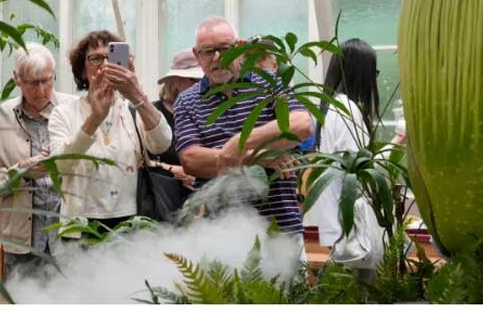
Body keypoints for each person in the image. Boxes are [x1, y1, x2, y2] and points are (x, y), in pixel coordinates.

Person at [174, 16, 313, 255]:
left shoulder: (270, 84)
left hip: (280, 228)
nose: (217, 58)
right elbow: (191, 160)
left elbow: (301, 125)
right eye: (208, 52)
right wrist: (257, 157)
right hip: (219, 234)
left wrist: (239, 142)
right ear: (197, 56)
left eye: (224, 49)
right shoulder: (187, 101)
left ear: (239, 48)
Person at [49, 30, 171, 237]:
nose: (104, 64)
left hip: (130, 220)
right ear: (82, 71)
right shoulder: (64, 113)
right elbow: (60, 166)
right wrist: (94, 118)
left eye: (111, 57)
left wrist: (137, 95)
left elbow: (162, 143)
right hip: (81, 225)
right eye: (95, 58)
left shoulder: (131, 109)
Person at [0, 43, 77, 279]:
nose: (42, 90)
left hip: (70, 237)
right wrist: (20, 173)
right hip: (21, 241)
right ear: (17, 78)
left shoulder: (74, 109)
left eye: (47, 80)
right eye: (33, 83)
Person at [303, 38, 382, 258]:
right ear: (361, 74)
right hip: (350, 226)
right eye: (372, 73)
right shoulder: (348, 110)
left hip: (338, 225)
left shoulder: (333, 107)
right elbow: (358, 171)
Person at [147, 49, 201, 195]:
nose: (199, 85)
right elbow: (138, 161)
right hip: (164, 199)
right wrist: (171, 169)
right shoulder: (152, 114)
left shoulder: (210, 112)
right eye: (193, 80)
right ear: (176, 81)